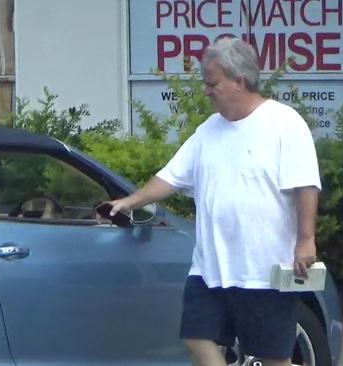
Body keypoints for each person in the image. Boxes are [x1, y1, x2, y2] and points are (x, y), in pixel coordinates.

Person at [109, 37, 321, 366]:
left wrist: (306, 240)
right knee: (196, 339)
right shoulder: (208, 131)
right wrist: (130, 201)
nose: (207, 90)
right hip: (211, 270)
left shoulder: (284, 123)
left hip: (264, 270)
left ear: (239, 81)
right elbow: (171, 177)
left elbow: (305, 185)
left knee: (273, 359)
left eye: (212, 83)